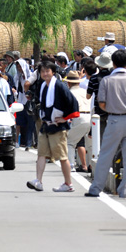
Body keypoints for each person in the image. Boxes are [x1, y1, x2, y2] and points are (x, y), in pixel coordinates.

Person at [86, 50, 126, 198]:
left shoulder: (107, 80)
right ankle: (124, 191)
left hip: (113, 118)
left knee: (105, 154)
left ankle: (96, 188)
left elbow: (101, 103)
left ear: (113, 63)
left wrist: (112, 110)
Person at [26, 61, 80, 193]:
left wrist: (65, 118)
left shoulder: (60, 86)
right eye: (43, 71)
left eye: (47, 71)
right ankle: (38, 181)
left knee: (62, 157)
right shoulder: (43, 86)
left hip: (58, 126)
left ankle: (68, 183)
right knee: (41, 154)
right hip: (46, 125)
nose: (45, 74)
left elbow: (73, 103)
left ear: (53, 72)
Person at [65, 71, 92, 172]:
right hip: (91, 116)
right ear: (79, 82)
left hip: (79, 117)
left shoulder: (69, 93)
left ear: (68, 83)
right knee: (90, 144)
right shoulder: (84, 91)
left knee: (70, 142)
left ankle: (71, 165)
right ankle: (91, 166)